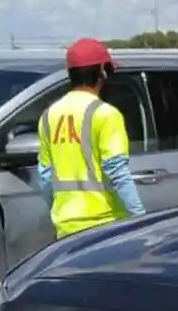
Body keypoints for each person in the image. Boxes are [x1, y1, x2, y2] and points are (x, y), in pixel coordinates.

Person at [36, 38, 146, 238]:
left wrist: (62, 209)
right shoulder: (105, 114)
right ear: (103, 70)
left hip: (65, 227)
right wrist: (140, 220)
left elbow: (45, 177)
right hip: (105, 224)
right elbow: (117, 172)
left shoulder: (48, 115)